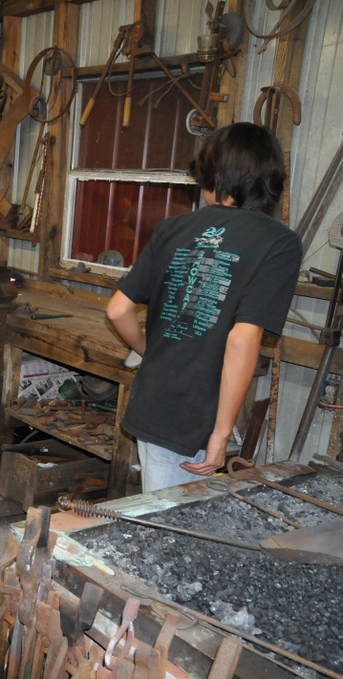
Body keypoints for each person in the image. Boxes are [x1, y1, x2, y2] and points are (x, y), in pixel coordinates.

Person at [106, 122, 302, 493]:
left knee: (169, 516)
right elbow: (243, 340)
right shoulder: (279, 243)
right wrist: (221, 434)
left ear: (215, 176)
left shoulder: (172, 228)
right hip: (197, 418)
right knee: (173, 524)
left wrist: (148, 351)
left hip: (157, 403)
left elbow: (118, 309)